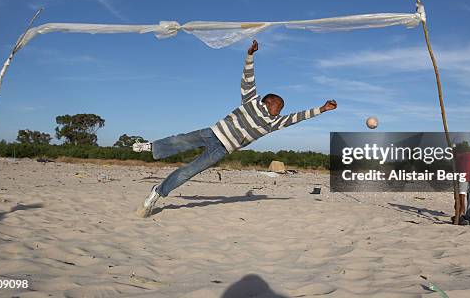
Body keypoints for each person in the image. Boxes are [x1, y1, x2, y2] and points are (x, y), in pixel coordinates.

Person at [133, 40, 337, 217]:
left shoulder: (274, 123)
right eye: (279, 106)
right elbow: (248, 79)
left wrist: (322, 109)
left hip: (221, 150)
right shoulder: (251, 101)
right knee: (180, 140)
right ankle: (152, 147)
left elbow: (297, 117)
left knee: (188, 172)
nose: (281, 110)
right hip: (213, 133)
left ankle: (157, 193)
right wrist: (250, 55)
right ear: (269, 101)